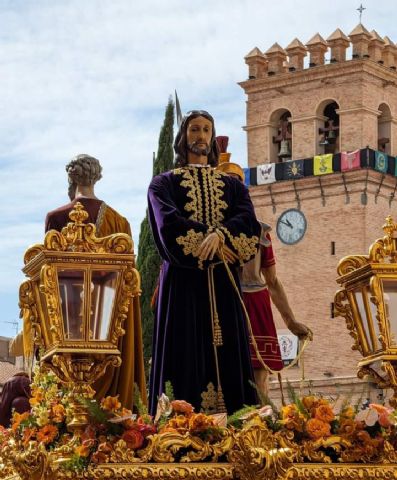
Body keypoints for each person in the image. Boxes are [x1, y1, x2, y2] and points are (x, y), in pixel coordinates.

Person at [147, 110, 261, 415]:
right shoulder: (163, 184)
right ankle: (181, 431)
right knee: (183, 355)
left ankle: (239, 430)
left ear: (212, 138)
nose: (201, 135)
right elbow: (167, 225)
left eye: (206, 130)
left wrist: (222, 236)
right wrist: (206, 240)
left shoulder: (234, 187)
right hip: (183, 288)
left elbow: (249, 222)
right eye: (195, 129)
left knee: (231, 357)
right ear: (183, 137)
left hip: (224, 284)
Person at [44, 154, 146, 409]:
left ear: (71, 177)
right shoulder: (118, 221)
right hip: (108, 325)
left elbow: (49, 281)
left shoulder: (56, 218)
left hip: (69, 324)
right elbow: (127, 285)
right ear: (97, 177)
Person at [217, 161, 312, 397]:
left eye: (237, 185)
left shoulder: (259, 232)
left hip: (254, 304)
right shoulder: (204, 231)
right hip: (220, 304)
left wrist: (291, 322)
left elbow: (272, 281)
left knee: (260, 376)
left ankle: (263, 425)